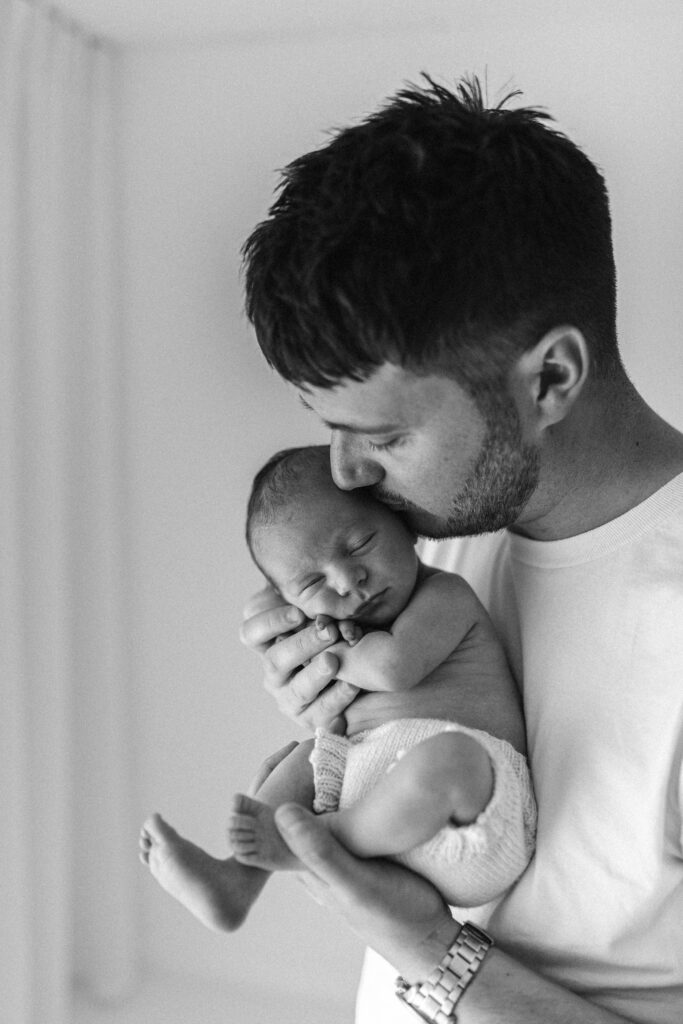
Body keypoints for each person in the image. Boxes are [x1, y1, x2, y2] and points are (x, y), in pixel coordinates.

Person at [239, 75, 683, 1022]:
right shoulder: (424, 539)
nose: (345, 476)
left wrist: (423, 948)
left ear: (551, 377)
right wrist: (336, 711)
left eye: (385, 437)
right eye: (329, 429)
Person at [139, 444, 536, 932]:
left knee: (450, 756)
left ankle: (324, 836)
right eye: (313, 584)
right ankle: (235, 881)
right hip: (383, 829)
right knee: (303, 755)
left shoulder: (444, 595)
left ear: (405, 526)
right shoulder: (338, 618)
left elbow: (393, 668)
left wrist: (330, 649)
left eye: (359, 544)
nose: (347, 580)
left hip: (476, 817)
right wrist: (296, 618)